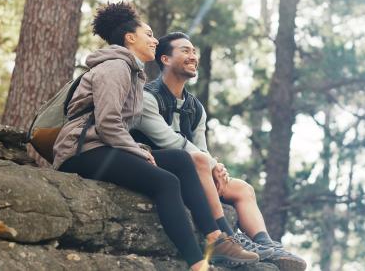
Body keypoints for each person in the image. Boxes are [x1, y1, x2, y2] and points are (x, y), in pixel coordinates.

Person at [52, 3, 258, 271]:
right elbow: (108, 124)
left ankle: (216, 238)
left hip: (101, 146)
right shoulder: (115, 67)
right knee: (166, 182)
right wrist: (139, 151)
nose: (155, 40)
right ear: (130, 38)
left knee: (181, 160)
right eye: (148, 34)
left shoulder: (133, 73)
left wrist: (137, 148)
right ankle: (198, 263)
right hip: (81, 151)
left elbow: (116, 129)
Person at [131, 32, 307, 270]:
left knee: (242, 188)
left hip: (192, 170)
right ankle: (226, 239)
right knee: (201, 162)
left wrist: (217, 169)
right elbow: (168, 140)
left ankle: (266, 246)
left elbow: (201, 148)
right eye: (185, 50)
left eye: (194, 51)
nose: (193, 56)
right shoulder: (148, 97)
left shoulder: (195, 107)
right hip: (156, 165)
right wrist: (210, 164)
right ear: (165, 59)